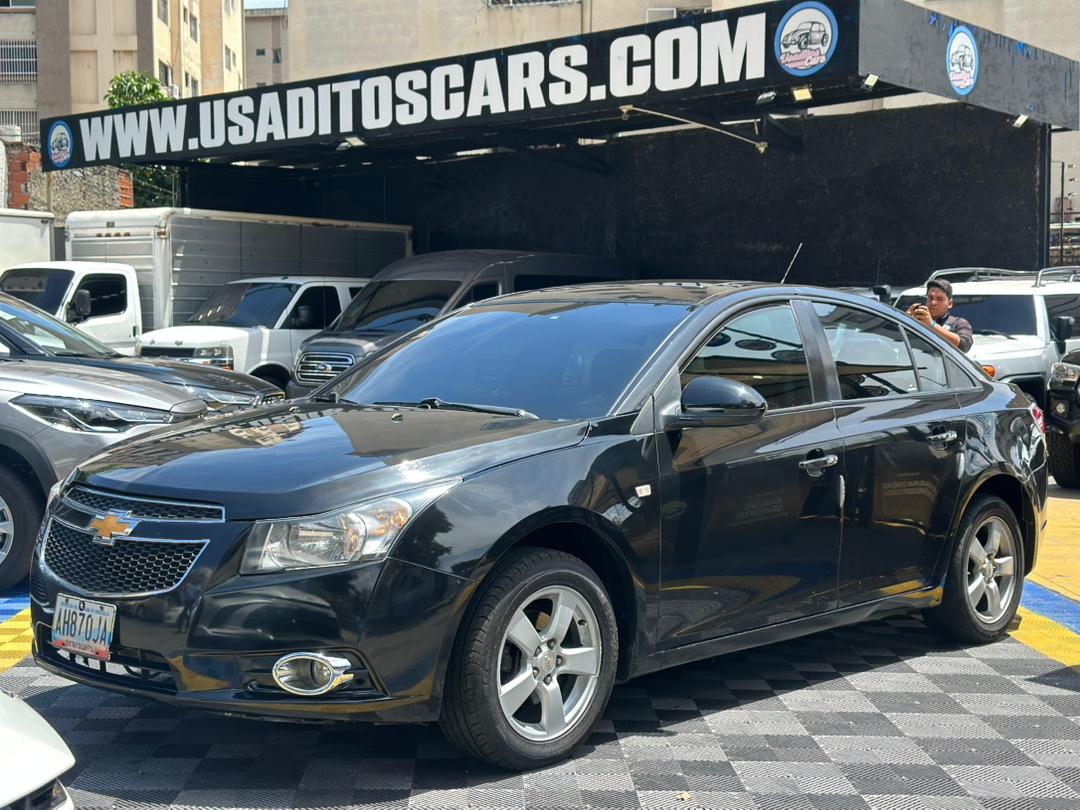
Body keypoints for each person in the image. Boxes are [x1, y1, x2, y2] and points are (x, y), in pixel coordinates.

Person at [906, 278, 973, 353]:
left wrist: (931, 325)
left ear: (950, 303)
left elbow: (964, 345)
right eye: (930, 298)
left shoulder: (958, 323)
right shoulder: (915, 320)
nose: (933, 303)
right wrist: (906, 321)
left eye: (939, 299)